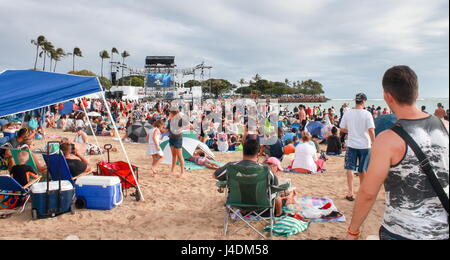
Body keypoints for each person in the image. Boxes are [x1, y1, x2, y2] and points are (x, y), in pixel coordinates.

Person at [347, 65, 449, 240]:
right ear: (417, 94)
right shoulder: (446, 127)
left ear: (387, 97)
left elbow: (368, 193)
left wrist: (353, 230)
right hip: (442, 230)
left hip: (402, 231)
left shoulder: (387, 140)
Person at [339, 93, 376, 201]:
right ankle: (362, 192)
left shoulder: (348, 113)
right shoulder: (367, 114)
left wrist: (351, 130)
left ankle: (350, 193)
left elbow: (342, 128)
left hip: (352, 144)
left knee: (350, 168)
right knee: (362, 169)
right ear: (364, 101)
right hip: (365, 145)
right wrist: (374, 143)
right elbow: (371, 130)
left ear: (355, 101)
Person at [168, 109, 186, 178]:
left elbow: (187, 125)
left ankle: (182, 172)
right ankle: (172, 170)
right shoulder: (170, 120)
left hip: (178, 138)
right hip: (171, 138)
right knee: (174, 156)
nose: (169, 114)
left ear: (173, 113)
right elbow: (168, 129)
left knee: (180, 156)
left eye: (170, 113)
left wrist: (181, 129)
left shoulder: (180, 119)